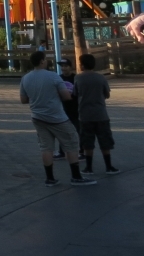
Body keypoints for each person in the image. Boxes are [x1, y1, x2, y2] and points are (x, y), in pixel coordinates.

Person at [20, 51, 97, 187]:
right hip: (57, 117)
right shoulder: (53, 76)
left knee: (46, 147)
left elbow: (24, 99)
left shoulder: (25, 78)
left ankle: (50, 178)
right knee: (71, 142)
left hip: (37, 117)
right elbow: (66, 96)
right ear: (42, 61)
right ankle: (76, 176)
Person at [75, 54, 119, 175]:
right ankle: (109, 166)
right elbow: (107, 94)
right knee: (105, 140)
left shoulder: (78, 78)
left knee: (87, 142)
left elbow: (75, 93)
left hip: (84, 115)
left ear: (82, 65)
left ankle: (89, 167)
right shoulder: (101, 78)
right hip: (101, 114)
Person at [54, 58, 80, 159]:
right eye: (62, 66)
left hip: (75, 108)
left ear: (70, 67)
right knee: (62, 132)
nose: (63, 68)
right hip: (63, 109)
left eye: (65, 66)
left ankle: (81, 151)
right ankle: (61, 151)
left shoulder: (76, 78)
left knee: (78, 131)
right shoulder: (58, 78)